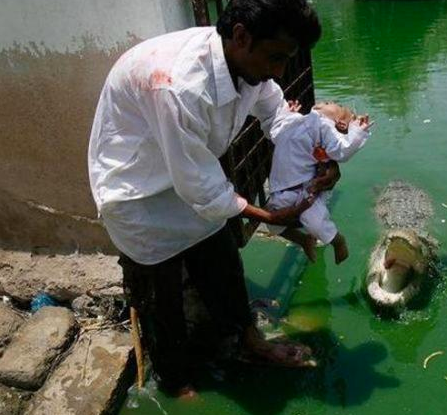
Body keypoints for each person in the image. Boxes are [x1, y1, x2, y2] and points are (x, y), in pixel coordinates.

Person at [88, 0, 333, 398]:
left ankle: (248, 341)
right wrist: (268, 215)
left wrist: (318, 154)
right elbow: (198, 186)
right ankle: (175, 382)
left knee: (222, 263)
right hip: (138, 194)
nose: (278, 71)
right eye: (275, 57)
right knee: (161, 299)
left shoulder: (246, 67)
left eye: (286, 60)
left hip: (187, 175)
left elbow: (278, 117)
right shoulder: (177, 85)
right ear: (241, 37)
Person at [266, 101, 372, 264]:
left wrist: (357, 131)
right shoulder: (299, 120)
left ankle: (338, 241)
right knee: (272, 224)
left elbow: (342, 150)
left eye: (335, 105)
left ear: (340, 122)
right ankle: (303, 240)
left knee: (316, 223)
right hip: (282, 189)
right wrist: (288, 114)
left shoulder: (324, 127)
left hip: (305, 189)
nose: (328, 102)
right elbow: (276, 132)